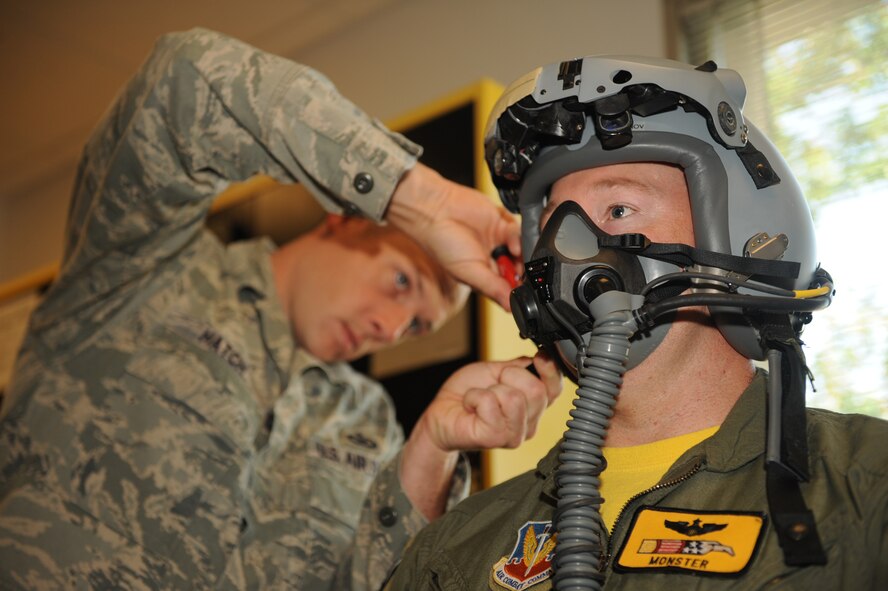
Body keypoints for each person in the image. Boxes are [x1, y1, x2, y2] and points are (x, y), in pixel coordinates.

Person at [0, 29, 564, 590]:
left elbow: (381, 583)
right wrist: (416, 196)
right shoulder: (144, 272)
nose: (391, 328)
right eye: (400, 281)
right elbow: (184, 78)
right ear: (345, 218)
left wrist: (433, 450)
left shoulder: (366, 423)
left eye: (417, 326)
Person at [385, 55, 888, 589]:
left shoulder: (866, 487)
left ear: (734, 234)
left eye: (619, 210)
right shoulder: (456, 548)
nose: (565, 254)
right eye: (552, 224)